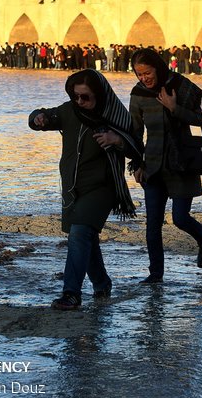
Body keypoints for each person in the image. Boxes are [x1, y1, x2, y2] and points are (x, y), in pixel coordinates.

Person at [28, 69, 143, 309]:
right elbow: (42, 117)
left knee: (79, 234)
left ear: (99, 95)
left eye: (85, 97)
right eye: (75, 96)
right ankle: (102, 283)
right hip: (73, 188)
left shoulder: (115, 116)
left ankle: (71, 294)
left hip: (102, 188)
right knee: (86, 238)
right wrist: (37, 118)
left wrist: (117, 140)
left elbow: (137, 149)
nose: (80, 102)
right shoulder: (70, 110)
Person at [128, 48, 202, 284]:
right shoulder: (138, 94)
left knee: (180, 218)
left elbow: (198, 119)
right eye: (139, 74)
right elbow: (134, 132)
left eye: (147, 72)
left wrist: (173, 107)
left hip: (182, 164)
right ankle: (156, 274)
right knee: (152, 224)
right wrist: (136, 163)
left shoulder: (180, 85)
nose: (144, 78)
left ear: (158, 67)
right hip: (153, 167)